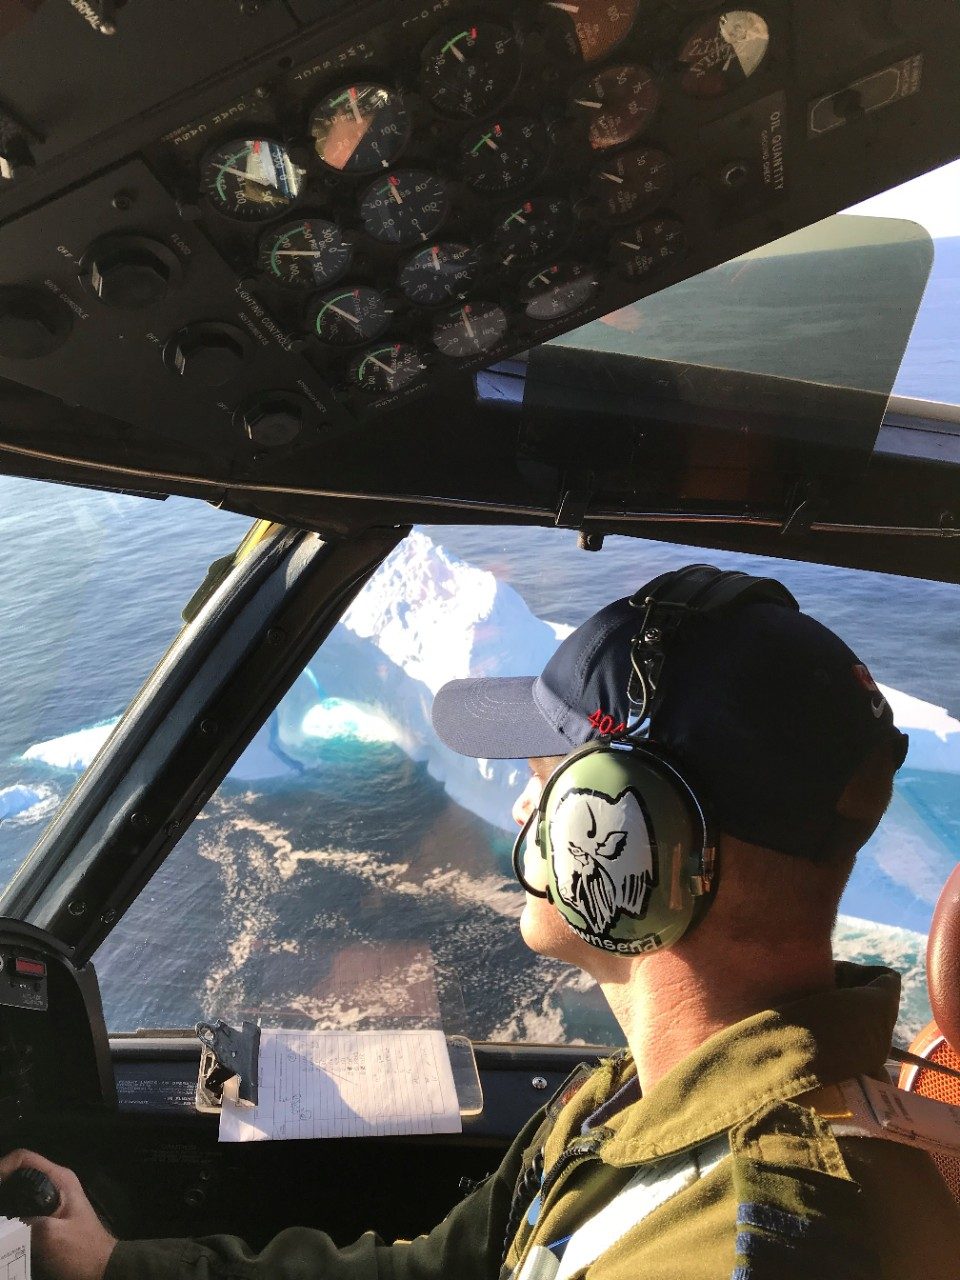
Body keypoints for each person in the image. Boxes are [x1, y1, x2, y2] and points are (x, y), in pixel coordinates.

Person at [4, 565, 960, 1279]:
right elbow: (436, 1274)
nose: (517, 816)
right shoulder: (629, 1104)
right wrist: (115, 1265)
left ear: (627, 841)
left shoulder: (759, 1242)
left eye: (546, 787)